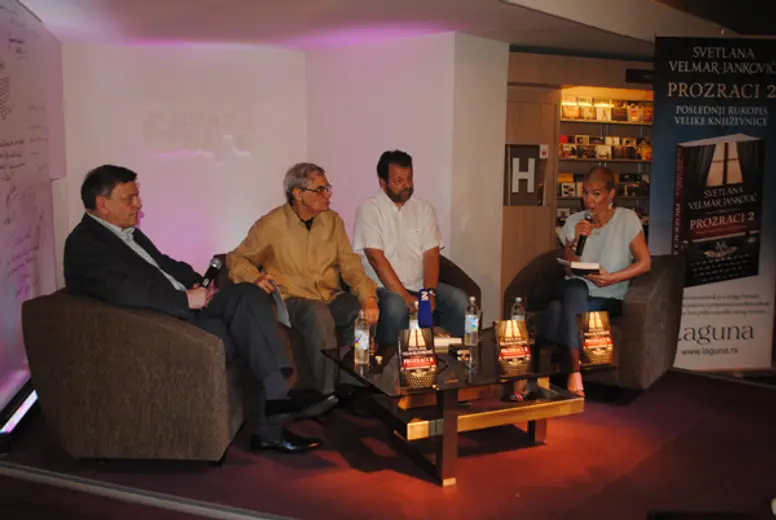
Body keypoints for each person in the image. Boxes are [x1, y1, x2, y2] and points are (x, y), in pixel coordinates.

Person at [64, 164, 337, 454]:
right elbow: (123, 291)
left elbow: (164, 265)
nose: (138, 204)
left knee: (250, 293)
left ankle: (277, 400)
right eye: (129, 198)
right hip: (162, 322)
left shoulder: (128, 233)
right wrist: (184, 299)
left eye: (137, 196)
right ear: (103, 204)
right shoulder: (84, 244)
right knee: (246, 328)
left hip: (187, 306)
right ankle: (274, 413)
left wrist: (199, 284)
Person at [226, 162, 379, 400]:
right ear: (298, 193)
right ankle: (326, 394)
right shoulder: (271, 224)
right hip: (293, 299)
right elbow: (236, 258)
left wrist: (367, 296)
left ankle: (354, 387)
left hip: (329, 296)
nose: (327, 195)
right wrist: (255, 277)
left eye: (328, 188)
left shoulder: (333, 221)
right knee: (318, 314)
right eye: (320, 190)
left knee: (360, 310)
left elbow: (350, 265)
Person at [541, 166, 651, 396]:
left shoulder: (626, 219)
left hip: (608, 295)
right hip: (574, 287)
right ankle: (575, 372)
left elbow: (645, 263)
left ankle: (549, 360)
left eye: (596, 193)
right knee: (576, 287)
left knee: (556, 310)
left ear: (611, 194)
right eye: (585, 193)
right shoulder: (575, 221)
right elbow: (569, 268)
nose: (589, 200)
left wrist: (612, 278)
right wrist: (575, 241)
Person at [352, 150, 468, 345]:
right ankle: (389, 361)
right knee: (396, 307)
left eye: (409, 179)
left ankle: (451, 357)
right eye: (399, 181)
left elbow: (431, 255)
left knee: (459, 300)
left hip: (420, 286)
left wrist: (429, 292)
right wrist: (405, 296)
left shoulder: (424, 208)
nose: (406, 185)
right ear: (382, 183)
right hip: (383, 288)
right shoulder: (369, 210)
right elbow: (376, 260)